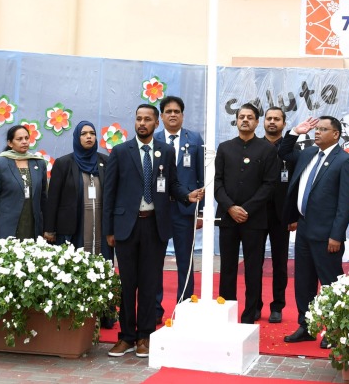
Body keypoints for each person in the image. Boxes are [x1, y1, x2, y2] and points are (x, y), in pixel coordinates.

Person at [102, 104, 203, 359]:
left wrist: (186, 196)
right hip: (126, 227)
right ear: (134, 122)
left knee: (149, 283)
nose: (142, 123)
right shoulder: (120, 151)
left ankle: (144, 336)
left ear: (156, 123)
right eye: (138, 119)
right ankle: (126, 337)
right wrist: (109, 230)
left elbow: (173, 184)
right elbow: (109, 194)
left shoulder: (166, 152)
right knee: (127, 283)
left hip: (154, 226)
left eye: (147, 119)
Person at [282, 116, 349, 348]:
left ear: (336, 134)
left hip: (327, 235)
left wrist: (337, 235)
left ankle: (335, 330)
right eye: (316, 129)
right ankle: (307, 326)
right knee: (303, 282)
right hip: (303, 229)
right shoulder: (307, 154)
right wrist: (295, 131)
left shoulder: (345, 161)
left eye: (323, 130)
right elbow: (284, 153)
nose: (317, 133)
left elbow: (345, 203)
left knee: (330, 284)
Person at [43, 120, 115, 328]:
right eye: (84, 133)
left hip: (101, 227)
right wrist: (50, 229)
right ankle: (75, 313)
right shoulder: (65, 163)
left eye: (92, 133)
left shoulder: (105, 161)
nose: (89, 137)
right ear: (77, 137)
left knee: (103, 267)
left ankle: (104, 314)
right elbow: (53, 198)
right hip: (73, 228)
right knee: (74, 268)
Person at [214, 103, 279, 324]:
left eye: (249, 117)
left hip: (255, 219)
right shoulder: (224, 148)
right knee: (228, 267)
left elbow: (270, 185)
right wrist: (231, 207)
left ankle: (250, 313)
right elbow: (217, 182)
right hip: (227, 217)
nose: (245, 120)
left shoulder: (267, 149)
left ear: (256, 122)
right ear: (236, 120)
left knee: (253, 268)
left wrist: (247, 209)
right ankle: (226, 310)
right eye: (241, 117)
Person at [155, 95, 204, 318]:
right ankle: (155, 308)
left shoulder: (194, 139)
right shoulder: (153, 140)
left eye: (177, 111)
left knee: (185, 260)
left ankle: (184, 308)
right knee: (154, 261)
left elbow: (201, 177)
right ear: (161, 116)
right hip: (158, 211)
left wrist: (200, 211)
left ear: (182, 115)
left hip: (185, 211)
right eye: (168, 112)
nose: (173, 115)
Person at [261, 106, 301, 323]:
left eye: (277, 119)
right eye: (269, 118)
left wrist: (293, 215)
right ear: (263, 122)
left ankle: (277, 306)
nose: (272, 122)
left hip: (282, 216)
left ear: (284, 124)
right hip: (256, 215)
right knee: (254, 262)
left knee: (280, 263)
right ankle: (254, 305)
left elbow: (296, 185)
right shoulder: (255, 145)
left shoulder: (291, 151)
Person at [0, 124, 47, 241]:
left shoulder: (39, 163)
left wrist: (47, 227)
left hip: (32, 224)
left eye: (26, 138)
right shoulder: (0, 164)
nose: (24, 142)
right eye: (19, 139)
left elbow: (44, 198)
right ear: (10, 143)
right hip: (6, 226)